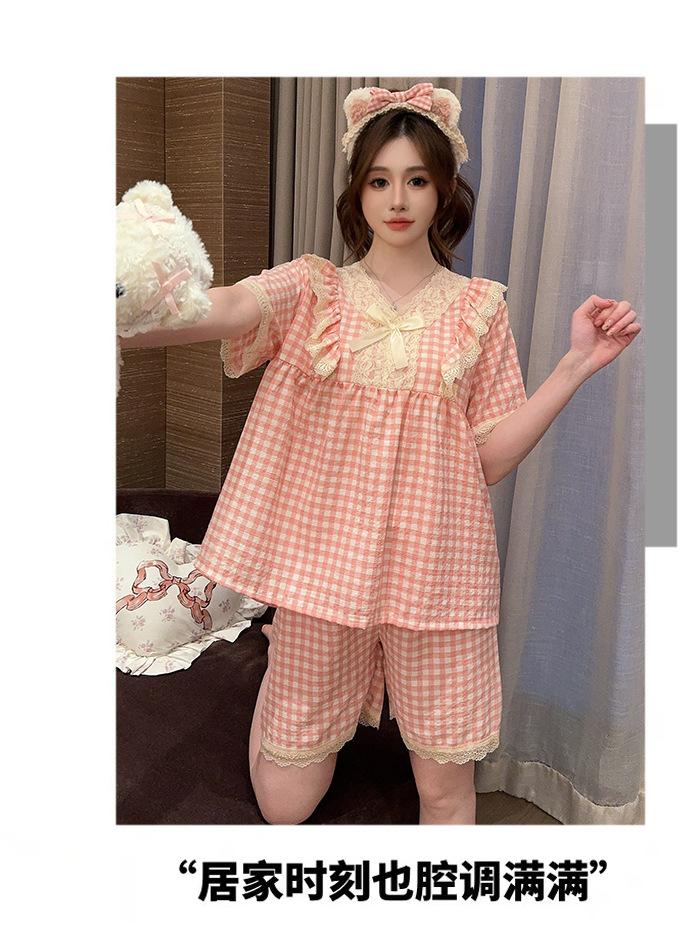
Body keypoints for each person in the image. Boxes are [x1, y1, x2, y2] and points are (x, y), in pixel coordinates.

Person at [120, 82, 641, 825]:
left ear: (443, 190)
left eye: (417, 180)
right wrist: (123, 306)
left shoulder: (479, 309)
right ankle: (282, 662)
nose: (398, 199)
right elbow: (226, 308)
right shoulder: (314, 289)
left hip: (439, 578)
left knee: (445, 793)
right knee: (285, 807)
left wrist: (576, 365)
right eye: (379, 180)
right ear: (358, 193)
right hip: (323, 574)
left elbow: (489, 459)